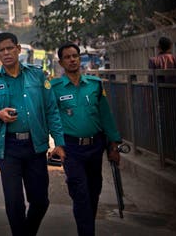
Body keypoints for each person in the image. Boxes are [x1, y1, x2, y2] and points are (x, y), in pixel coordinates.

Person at [0, 32, 66, 236]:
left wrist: (59, 143)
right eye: (2, 50)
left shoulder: (37, 75)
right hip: (7, 147)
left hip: (35, 145)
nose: (6, 53)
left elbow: (51, 110)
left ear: (18, 49)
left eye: (10, 48)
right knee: (14, 202)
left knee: (40, 200)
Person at [51, 42, 121, 236]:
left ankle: (86, 225)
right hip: (71, 148)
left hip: (95, 146)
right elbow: (53, 118)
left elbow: (106, 116)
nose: (72, 59)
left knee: (93, 189)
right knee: (80, 192)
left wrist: (113, 144)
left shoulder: (95, 85)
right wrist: (58, 144)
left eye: (75, 55)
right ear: (61, 62)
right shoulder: (55, 88)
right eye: (67, 57)